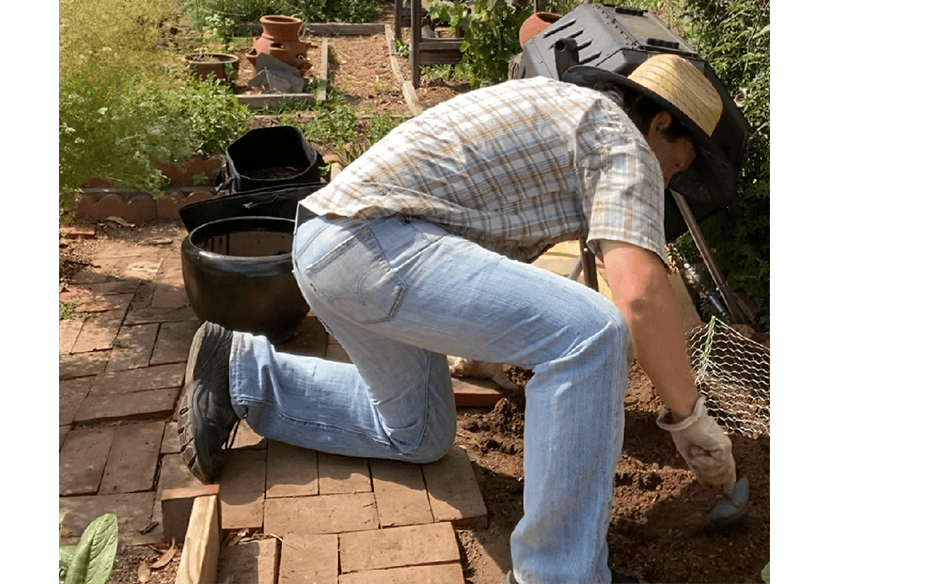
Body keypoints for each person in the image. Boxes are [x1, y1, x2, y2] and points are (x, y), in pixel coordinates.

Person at [177, 53, 738, 584]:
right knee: (592, 336)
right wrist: (689, 419)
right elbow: (640, 295)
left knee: (419, 433)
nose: (667, 180)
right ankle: (558, 573)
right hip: (372, 246)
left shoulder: (569, 110)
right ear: (661, 124)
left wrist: (482, 341)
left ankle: (243, 370)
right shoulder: (625, 142)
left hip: (331, 243)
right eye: (678, 163)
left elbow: (493, 237)